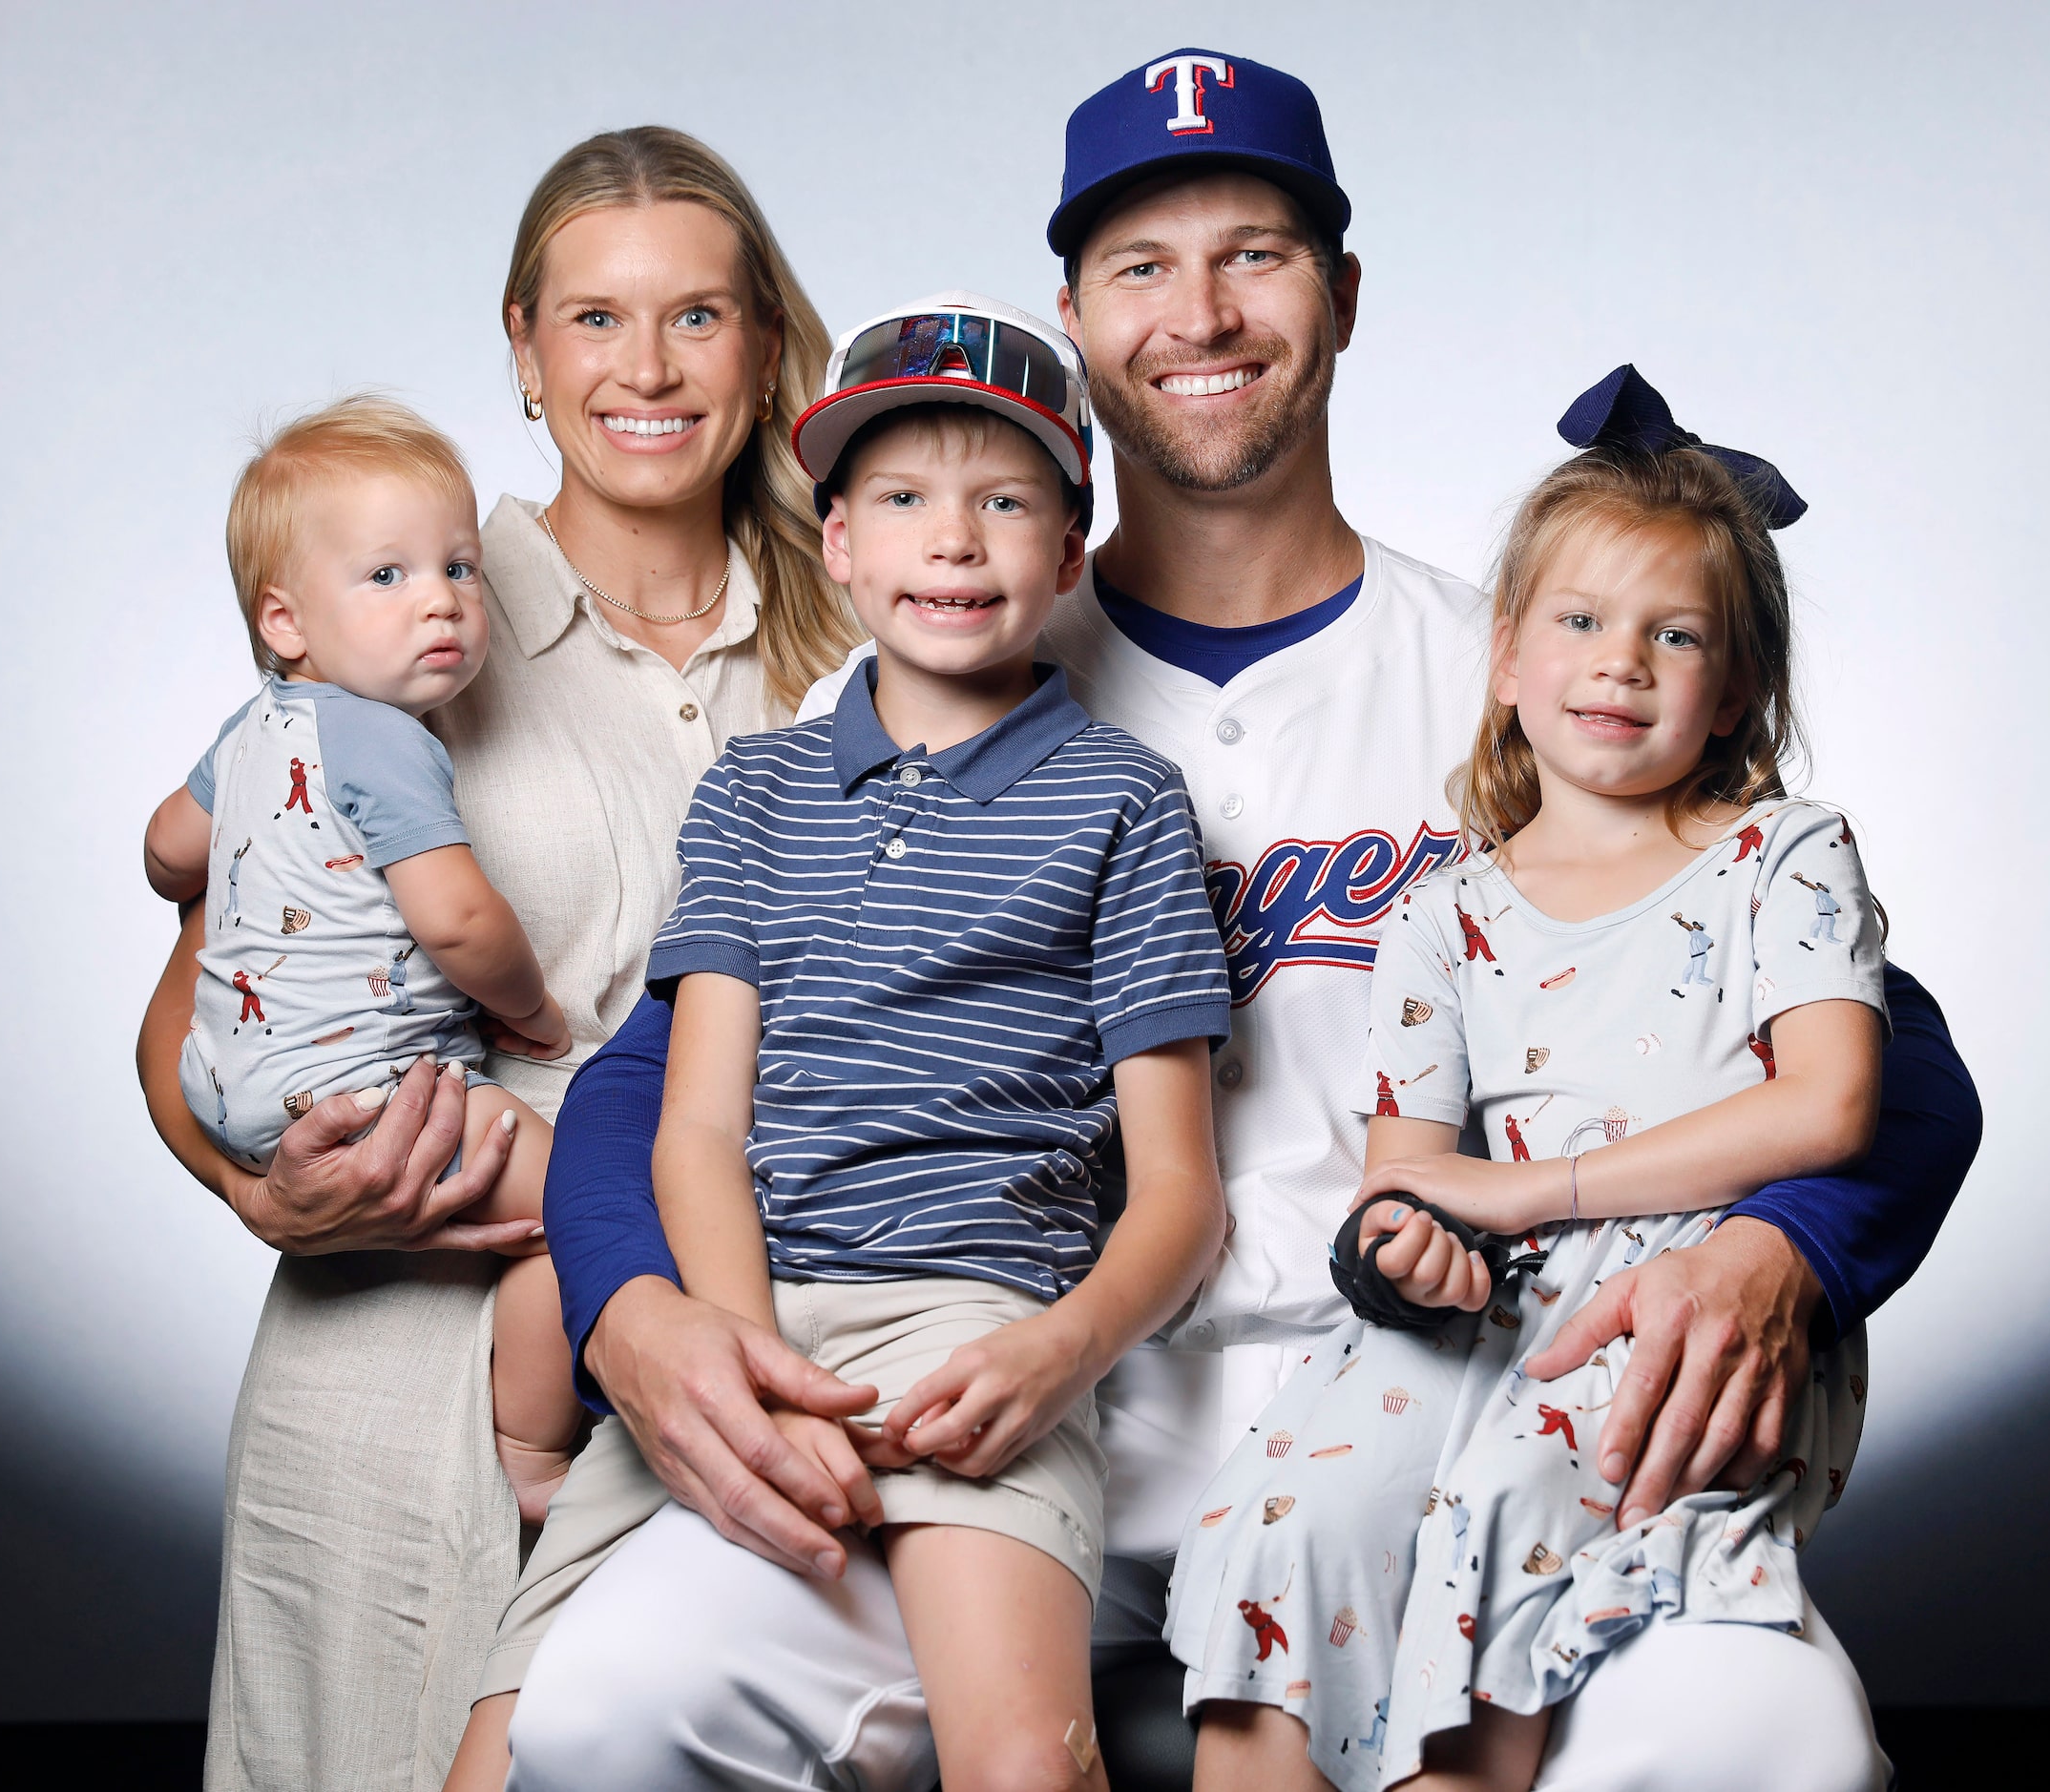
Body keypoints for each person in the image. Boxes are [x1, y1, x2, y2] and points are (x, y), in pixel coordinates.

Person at [506, 49, 1980, 1792]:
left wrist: (1782, 1243)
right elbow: (656, 1078)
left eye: (1255, 253)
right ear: (1072, 313)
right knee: (611, 1704)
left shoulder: (1522, 670)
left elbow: (1887, 1047)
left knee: (1769, 1745)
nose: (1198, 312)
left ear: (1343, 295)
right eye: (1140, 266)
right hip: (991, 1424)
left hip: (1454, 1427)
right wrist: (633, 1310)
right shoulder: (938, 674)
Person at [134, 125, 859, 1792]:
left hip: (773, 1355)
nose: (648, 366)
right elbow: (197, 991)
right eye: (594, 319)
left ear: (763, 348)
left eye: (697, 314)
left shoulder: (881, 605)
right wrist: (255, 1190)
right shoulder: (409, 595)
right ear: (523, 348)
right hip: (413, 1372)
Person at [1171, 366, 1884, 1791]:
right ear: (1505, 657)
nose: (1618, 662)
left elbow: (1829, 1104)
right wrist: (1412, 1247)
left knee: (1494, 1516)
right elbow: (1401, 1177)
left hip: (1670, 1305)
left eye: (1671, 635)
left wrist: (1523, 1188)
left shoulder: (1781, 860)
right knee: (1288, 1513)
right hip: (1486, 1310)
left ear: (1735, 684)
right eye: (1578, 621)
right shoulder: (1443, 913)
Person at [636, 291, 1234, 1788]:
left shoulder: (1125, 800)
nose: (953, 541)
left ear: (1069, 550)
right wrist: (748, 1355)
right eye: (900, 499)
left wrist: (1055, 1351)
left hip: (976, 1325)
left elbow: (1179, 1191)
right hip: (758, 1313)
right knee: (536, 1729)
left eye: (1005, 501)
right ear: (836, 540)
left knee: (1023, 1762)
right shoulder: (753, 794)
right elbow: (699, 1127)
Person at [141, 396, 579, 1524]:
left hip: (225, 1086)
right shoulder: (386, 740)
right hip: (366, 1098)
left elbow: (161, 850)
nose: (441, 599)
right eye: (386, 577)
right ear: (284, 621)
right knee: (589, 1200)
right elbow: (458, 925)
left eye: (461, 568)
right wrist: (530, 1014)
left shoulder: (250, 731)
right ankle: (529, 1445)